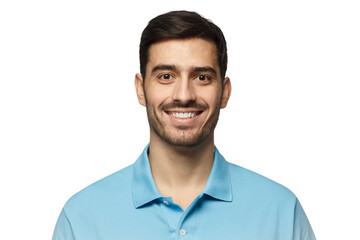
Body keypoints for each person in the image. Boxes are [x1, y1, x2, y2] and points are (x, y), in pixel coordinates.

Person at [52, 10, 316, 240]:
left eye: (202, 77)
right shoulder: (81, 218)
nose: (184, 95)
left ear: (224, 92)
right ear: (140, 89)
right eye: (166, 76)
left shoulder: (281, 212)